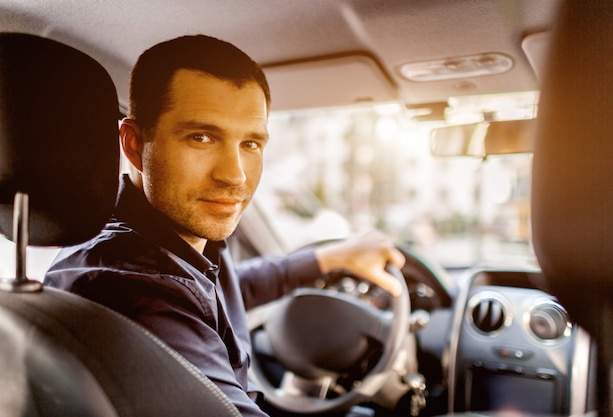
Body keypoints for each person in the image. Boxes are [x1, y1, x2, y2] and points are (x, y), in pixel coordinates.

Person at [43, 34, 405, 417]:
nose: (234, 176)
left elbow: (229, 289)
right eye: (201, 137)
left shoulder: (167, 240)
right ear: (135, 144)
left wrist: (329, 258)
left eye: (250, 144)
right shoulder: (141, 295)